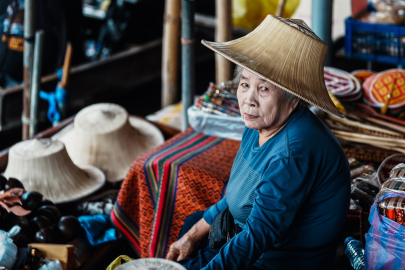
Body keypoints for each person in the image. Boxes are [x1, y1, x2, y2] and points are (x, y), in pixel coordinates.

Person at [166, 15, 350, 270]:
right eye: (244, 84)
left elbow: (258, 235)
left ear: (294, 98)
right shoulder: (260, 122)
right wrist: (195, 233)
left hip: (280, 260)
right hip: (247, 232)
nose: (248, 99)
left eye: (264, 89)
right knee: (191, 225)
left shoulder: (293, 152)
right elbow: (236, 193)